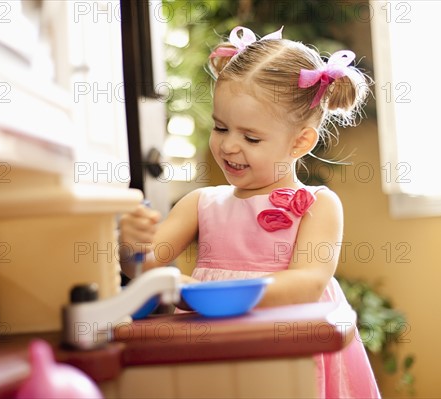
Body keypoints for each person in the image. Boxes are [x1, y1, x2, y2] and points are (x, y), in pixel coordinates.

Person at [119, 26, 380, 398]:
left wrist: (206, 291)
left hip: (289, 353)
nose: (228, 146)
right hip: (213, 352)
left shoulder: (319, 206)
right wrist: (132, 247)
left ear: (301, 141)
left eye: (251, 137)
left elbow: (307, 284)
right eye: (220, 127)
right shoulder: (200, 203)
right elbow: (144, 270)